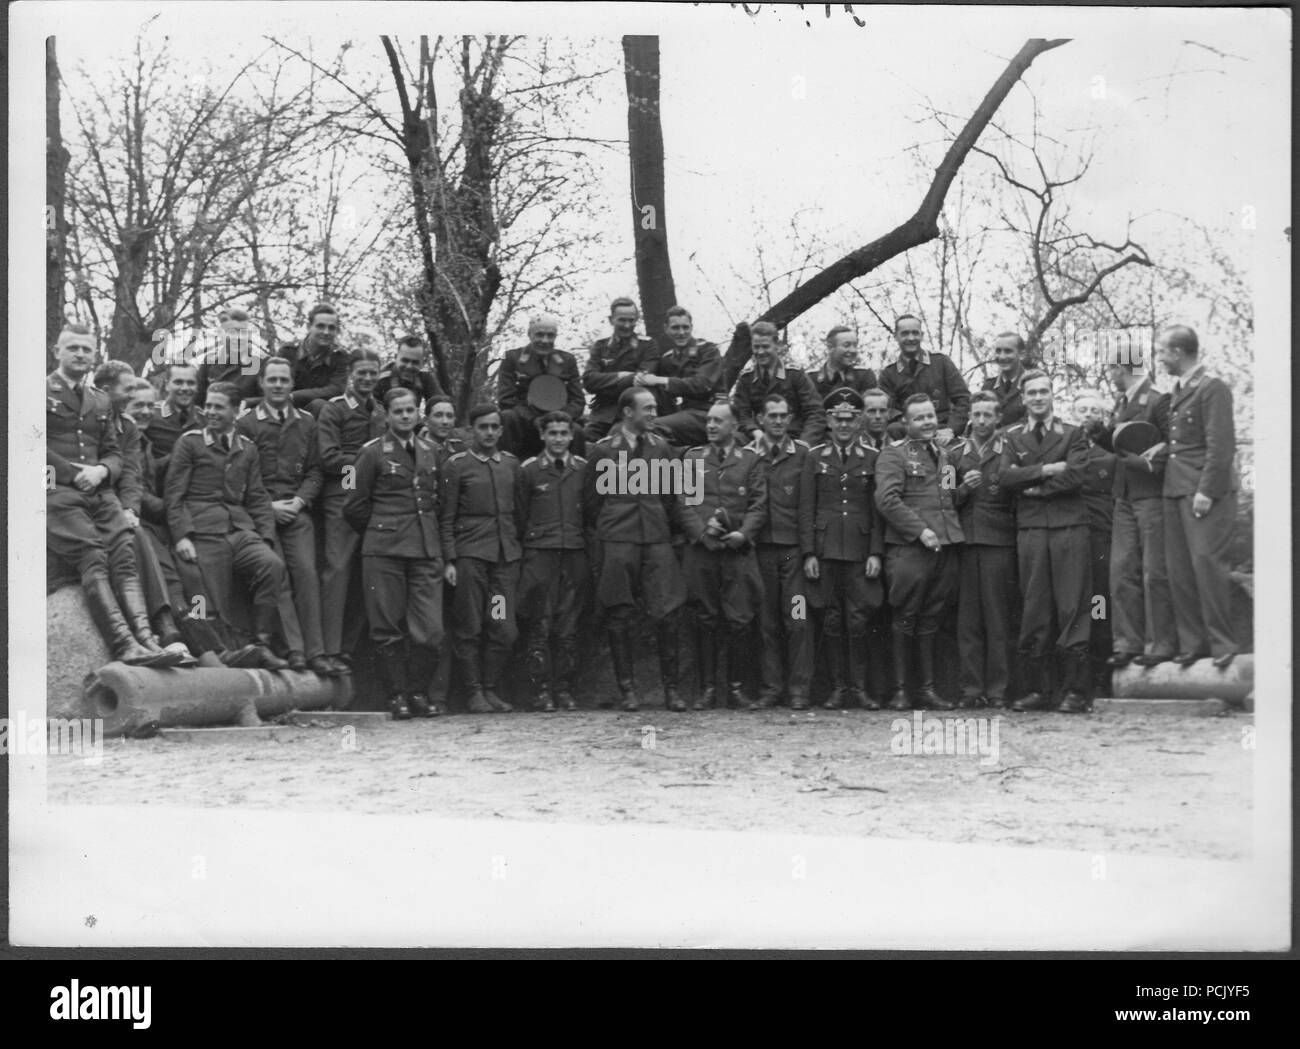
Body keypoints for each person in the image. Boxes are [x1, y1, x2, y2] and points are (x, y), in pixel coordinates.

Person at [47, 328, 179, 666]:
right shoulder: (36, 393)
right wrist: (73, 473)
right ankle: (124, 644)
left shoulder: (100, 401)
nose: (79, 354)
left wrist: (102, 471)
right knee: (93, 555)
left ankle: (148, 640)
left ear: (94, 355)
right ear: (56, 352)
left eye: (86, 349)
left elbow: (114, 452)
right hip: (55, 493)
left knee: (124, 551)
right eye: (72, 348)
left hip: (100, 492)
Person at [164, 382, 296, 671]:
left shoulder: (247, 448)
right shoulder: (190, 442)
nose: (210, 412)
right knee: (208, 592)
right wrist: (182, 536)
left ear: (237, 411)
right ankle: (225, 653)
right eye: (208, 405)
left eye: (218, 406)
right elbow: (174, 495)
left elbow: (258, 496)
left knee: (272, 565)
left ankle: (262, 643)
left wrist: (265, 538)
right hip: (203, 529)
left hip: (239, 529)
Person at [582, 387, 687, 711]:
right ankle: (627, 691)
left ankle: (672, 690)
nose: (654, 414)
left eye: (655, 408)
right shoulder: (603, 452)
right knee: (618, 613)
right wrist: (613, 529)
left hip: (655, 538)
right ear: (628, 412)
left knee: (668, 611)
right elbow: (591, 503)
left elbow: (673, 497)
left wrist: (663, 529)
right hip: (618, 539)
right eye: (648, 408)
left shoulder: (663, 448)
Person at [345, 389, 446, 719]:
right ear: (386, 416)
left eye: (410, 410)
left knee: (429, 628)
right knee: (386, 625)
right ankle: (396, 697)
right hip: (384, 550)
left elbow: (438, 502)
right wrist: (380, 532)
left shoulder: (432, 451)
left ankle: (418, 692)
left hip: (425, 549)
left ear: (418, 414)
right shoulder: (372, 453)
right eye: (398, 411)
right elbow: (354, 506)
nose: (405, 416)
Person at [236, 358, 338, 676]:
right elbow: (243, 478)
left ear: (292, 384)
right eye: (272, 380)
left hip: (296, 511)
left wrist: (300, 500)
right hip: (263, 514)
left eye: (284, 379)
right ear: (262, 384)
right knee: (277, 575)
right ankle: (294, 651)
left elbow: (316, 470)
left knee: (307, 574)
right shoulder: (247, 424)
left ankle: (316, 652)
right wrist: (269, 507)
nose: (278, 385)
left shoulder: (307, 421)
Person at [999, 370, 1093, 712]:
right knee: (1034, 608)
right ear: (1023, 398)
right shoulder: (1010, 437)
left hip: (1070, 528)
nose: (1038, 398)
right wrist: (1045, 471)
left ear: (1053, 395)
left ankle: (1075, 692)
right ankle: (1037, 690)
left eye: (1044, 391)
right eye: (1032, 393)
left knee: (1074, 607)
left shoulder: (1072, 433)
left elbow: (1077, 474)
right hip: (1032, 531)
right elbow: (1004, 476)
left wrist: (1035, 488)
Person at [875, 393, 965, 710]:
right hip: (911, 550)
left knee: (930, 619)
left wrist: (968, 487)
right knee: (905, 616)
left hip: (946, 546)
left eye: (930, 416)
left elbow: (949, 496)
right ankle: (901, 690)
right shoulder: (893, 455)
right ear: (907, 423)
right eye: (919, 418)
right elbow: (887, 500)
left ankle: (926, 690)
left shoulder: (944, 455)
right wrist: (920, 531)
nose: (927, 422)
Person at [1157, 325, 1240, 668]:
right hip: (1175, 490)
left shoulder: (1212, 388)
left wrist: (1206, 490)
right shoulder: (1177, 391)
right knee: (1180, 571)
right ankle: (1193, 644)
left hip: (1204, 493)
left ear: (1178, 352)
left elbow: (1221, 446)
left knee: (1208, 565)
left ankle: (1223, 644)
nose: (1160, 358)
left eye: (1162, 351)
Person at [799, 388, 885, 709]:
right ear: (829, 422)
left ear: (860, 421)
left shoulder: (873, 458)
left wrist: (876, 552)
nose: (844, 425)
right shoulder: (814, 457)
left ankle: (859, 688)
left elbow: (878, 512)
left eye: (850, 419)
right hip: (826, 551)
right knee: (832, 620)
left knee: (859, 620)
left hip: (861, 551)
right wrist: (808, 553)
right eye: (838, 419)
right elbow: (806, 508)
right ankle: (837, 688)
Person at [678, 402, 767, 711]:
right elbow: (682, 501)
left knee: (740, 620)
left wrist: (743, 534)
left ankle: (736, 689)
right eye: (709, 420)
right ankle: (707, 689)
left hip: (737, 552)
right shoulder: (691, 459)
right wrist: (700, 534)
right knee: (704, 618)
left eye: (718, 421)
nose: (711, 426)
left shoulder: (751, 461)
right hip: (702, 552)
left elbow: (759, 504)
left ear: (733, 427)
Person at [1094, 348, 1177, 669]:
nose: (1109, 375)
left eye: (1110, 368)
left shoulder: (1158, 401)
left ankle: (1161, 644)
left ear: (1121, 368)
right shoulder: (1121, 403)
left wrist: (1144, 461)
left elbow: (1171, 444)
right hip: (1123, 496)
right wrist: (1099, 435)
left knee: (1153, 571)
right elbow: (1120, 444)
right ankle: (1127, 642)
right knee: (1121, 571)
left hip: (1151, 495)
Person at [439, 404, 523, 713]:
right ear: (472, 430)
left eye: (494, 427)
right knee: (469, 625)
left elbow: (521, 514)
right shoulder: (457, 465)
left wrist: (516, 553)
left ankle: (491, 688)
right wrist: (449, 559)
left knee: (502, 626)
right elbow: (446, 517)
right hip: (470, 558)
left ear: (501, 430)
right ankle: (473, 692)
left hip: (503, 562)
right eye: (482, 427)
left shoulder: (512, 465)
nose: (489, 432)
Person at [513, 411, 590, 711]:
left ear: (572, 436)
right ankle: (541, 690)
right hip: (540, 553)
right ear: (543, 436)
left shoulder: (584, 469)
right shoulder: (529, 470)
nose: (558, 439)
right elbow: (520, 514)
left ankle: (564, 688)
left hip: (573, 552)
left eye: (563, 433)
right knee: (539, 623)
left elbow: (591, 513)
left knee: (569, 624)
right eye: (552, 433)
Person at [315, 350, 386, 668]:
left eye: (373, 373)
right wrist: (366, 462)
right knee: (338, 570)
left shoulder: (380, 412)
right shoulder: (335, 410)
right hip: (341, 500)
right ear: (350, 376)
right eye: (362, 373)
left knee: (366, 573)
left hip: (373, 500)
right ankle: (328, 649)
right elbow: (329, 458)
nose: (368, 379)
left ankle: (347, 647)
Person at [746, 394, 815, 709]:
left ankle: (799, 689)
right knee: (766, 622)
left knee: (797, 619)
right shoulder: (748, 455)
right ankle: (772, 687)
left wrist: (808, 551)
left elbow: (808, 507)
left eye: (783, 415)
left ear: (790, 419)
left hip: (793, 556)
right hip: (760, 554)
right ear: (760, 418)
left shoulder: (802, 454)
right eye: (771, 415)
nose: (777, 421)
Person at [951, 392, 1017, 708]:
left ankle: (998, 690)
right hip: (965, 543)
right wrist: (963, 490)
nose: (980, 421)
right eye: (975, 415)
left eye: (987, 415)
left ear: (998, 418)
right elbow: (942, 500)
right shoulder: (954, 454)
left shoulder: (1010, 450)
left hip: (998, 543)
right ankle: (971, 690)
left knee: (997, 619)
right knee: (968, 621)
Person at [1074, 389, 1118, 692]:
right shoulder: (1064, 453)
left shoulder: (1111, 458)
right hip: (1070, 537)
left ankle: (1100, 671)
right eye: (1082, 410)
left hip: (1100, 540)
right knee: (1073, 604)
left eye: (1093, 410)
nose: (1088, 414)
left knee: (1099, 602)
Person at [498, 314, 586, 458]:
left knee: (576, 430)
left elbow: (578, 401)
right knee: (508, 417)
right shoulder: (511, 358)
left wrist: (560, 419)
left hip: (558, 420)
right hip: (525, 421)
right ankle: (508, 466)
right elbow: (506, 399)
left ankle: (577, 474)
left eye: (550, 336)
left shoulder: (567, 360)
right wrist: (533, 419)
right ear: (530, 334)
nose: (545, 341)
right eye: (539, 335)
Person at [878, 314, 971, 445]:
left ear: (922, 335)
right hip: (907, 434)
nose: (910, 338)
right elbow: (888, 410)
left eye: (915, 333)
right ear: (896, 336)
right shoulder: (889, 374)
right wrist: (908, 424)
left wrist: (951, 429)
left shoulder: (941, 362)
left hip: (942, 432)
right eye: (905, 333)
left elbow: (963, 400)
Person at [731, 321, 826, 445]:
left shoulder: (795, 374)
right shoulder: (746, 378)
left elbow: (815, 412)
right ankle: (699, 465)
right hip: (759, 440)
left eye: (765, 347)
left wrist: (805, 443)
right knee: (729, 442)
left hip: (792, 438)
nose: (760, 352)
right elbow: (741, 414)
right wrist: (755, 432)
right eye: (756, 347)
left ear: (776, 345)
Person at [581, 297, 661, 442]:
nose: (627, 325)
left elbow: (641, 380)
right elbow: (588, 380)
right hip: (603, 412)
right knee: (582, 439)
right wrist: (621, 375)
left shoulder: (648, 345)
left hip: (633, 411)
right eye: (622, 320)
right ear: (611, 320)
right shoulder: (600, 347)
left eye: (631, 320)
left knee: (617, 439)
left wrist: (604, 383)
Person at [644, 305, 725, 448]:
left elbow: (701, 384)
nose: (681, 332)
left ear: (691, 327)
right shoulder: (667, 359)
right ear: (666, 329)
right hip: (683, 414)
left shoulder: (708, 350)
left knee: (655, 427)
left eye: (685, 327)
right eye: (675, 328)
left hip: (709, 412)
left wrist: (661, 380)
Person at [287, 303, 352, 412]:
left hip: (321, 413)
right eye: (320, 326)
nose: (326, 332)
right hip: (288, 409)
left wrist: (294, 395)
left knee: (320, 405)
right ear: (309, 327)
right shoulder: (289, 352)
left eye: (331, 328)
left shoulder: (340, 357)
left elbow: (336, 390)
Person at [145, 362, 204, 466]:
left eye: (191, 383)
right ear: (167, 385)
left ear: (197, 386)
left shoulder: (204, 419)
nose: (185, 388)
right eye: (178, 382)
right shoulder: (150, 415)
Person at [807, 326, 878, 404]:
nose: (853, 350)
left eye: (855, 345)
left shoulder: (864, 375)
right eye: (846, 345)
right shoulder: (811, 378)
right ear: (830, 347)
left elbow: (871, 409)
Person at [374, 334, 444, 414]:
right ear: (396, 357)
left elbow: (441, 404)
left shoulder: (424, 377)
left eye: (415, 362)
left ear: (422, 363)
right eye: (405, 360)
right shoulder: (381, 379)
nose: (409, 366)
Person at [980, 332, 1029, 429]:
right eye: (998, 351)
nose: (1002, 357)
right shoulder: (988, 387)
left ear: (1022, 354)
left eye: (1008, 351)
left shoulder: (1034, 385)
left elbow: (1031, 423)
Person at [419, 394, 467, 462]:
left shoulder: (461, 451)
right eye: (438, 415)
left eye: (449, 416)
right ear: (426, 420)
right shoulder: (414, 450)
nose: (445, 422)